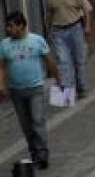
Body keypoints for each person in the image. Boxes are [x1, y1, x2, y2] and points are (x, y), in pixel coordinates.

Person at [0, 11, 56, 169]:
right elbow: (2, 67)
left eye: (11, 26)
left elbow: (49, 60)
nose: (8, 29)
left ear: (21, 25)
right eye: (7, 25)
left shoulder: (37, 40)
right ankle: (34, 153)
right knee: (26, 125)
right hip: (16, 91)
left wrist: (58, 79)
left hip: (35, 87)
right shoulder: (4, 44)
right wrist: (2, 85)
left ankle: (42, 153)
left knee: (37, 120)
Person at [45, 0, 92, 99]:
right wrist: (48, 30)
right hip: (58, 31)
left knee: (79, 60)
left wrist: (87, 26)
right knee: (64, 62)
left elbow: (86, 9)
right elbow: (49, 13)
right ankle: (67, 94)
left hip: (75, 28)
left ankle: (82, 88)